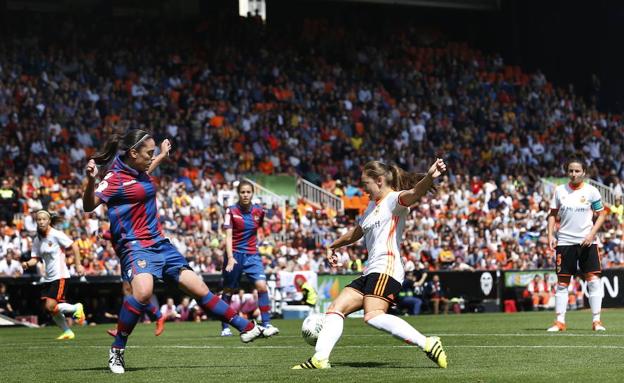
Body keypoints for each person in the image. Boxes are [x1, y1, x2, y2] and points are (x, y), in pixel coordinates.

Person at [83, 130, 266, 374]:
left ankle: (244, 326)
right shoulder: (113, 178)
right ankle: (117, 350)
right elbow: (88, 206)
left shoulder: (138, 169)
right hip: (134, 245)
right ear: (133, 153)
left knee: (199, 288)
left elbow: (145, 171)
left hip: (160, 243)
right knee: (143, 292)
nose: (151, 157)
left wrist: (162, 155)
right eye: (148, 153)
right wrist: (91, 180)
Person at [293, 159, 448, 370]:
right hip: (371, 271)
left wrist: (429, 177)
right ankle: (320, 359)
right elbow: (356, 233)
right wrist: (333, 246)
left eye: (365, 183)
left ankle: (428, 343)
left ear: (380, 180)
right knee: (335, 309)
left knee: (373, 316)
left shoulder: (394, 200)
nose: (363, 189)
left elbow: (413, 194)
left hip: (387, 268)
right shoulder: (371, 207)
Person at [547, 157, 607, 332]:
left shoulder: (592, 191)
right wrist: (550, 235)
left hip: (587, 242)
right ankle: (560, 322)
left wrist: (591, 234)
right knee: (562, 283)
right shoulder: (559, 191)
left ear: (584, 173)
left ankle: (597, 321)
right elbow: (552, 214)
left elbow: (601, 214)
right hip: (564, 242)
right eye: (570, 171)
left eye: (577, 171)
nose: (573, 174)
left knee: (593, 281)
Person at [220, 180, 279, 337]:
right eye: (242, 192)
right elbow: (228, 236)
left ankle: (266, 324)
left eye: (248, 192)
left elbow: (257, 229)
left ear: (252, 193)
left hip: (253, 255)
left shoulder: (259, 212)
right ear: (238, 194)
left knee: (262, 287)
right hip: (235, 255)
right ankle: (225, 327)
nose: (245, 195)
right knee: (228, 291)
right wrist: (231, 257)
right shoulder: (231, 211)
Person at [21, 210, 86, 339]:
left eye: (43, 219)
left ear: (49, 220)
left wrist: (78, 264)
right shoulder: (38, 239)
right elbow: (35, 258)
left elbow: (74, 246)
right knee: (49, 309)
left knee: (50, 306)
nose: (41, 221)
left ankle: (76, 308)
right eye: (38, 219)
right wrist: (27, 264)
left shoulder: (56, 234)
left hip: (60, 275)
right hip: (48, 278)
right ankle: (67, 332)